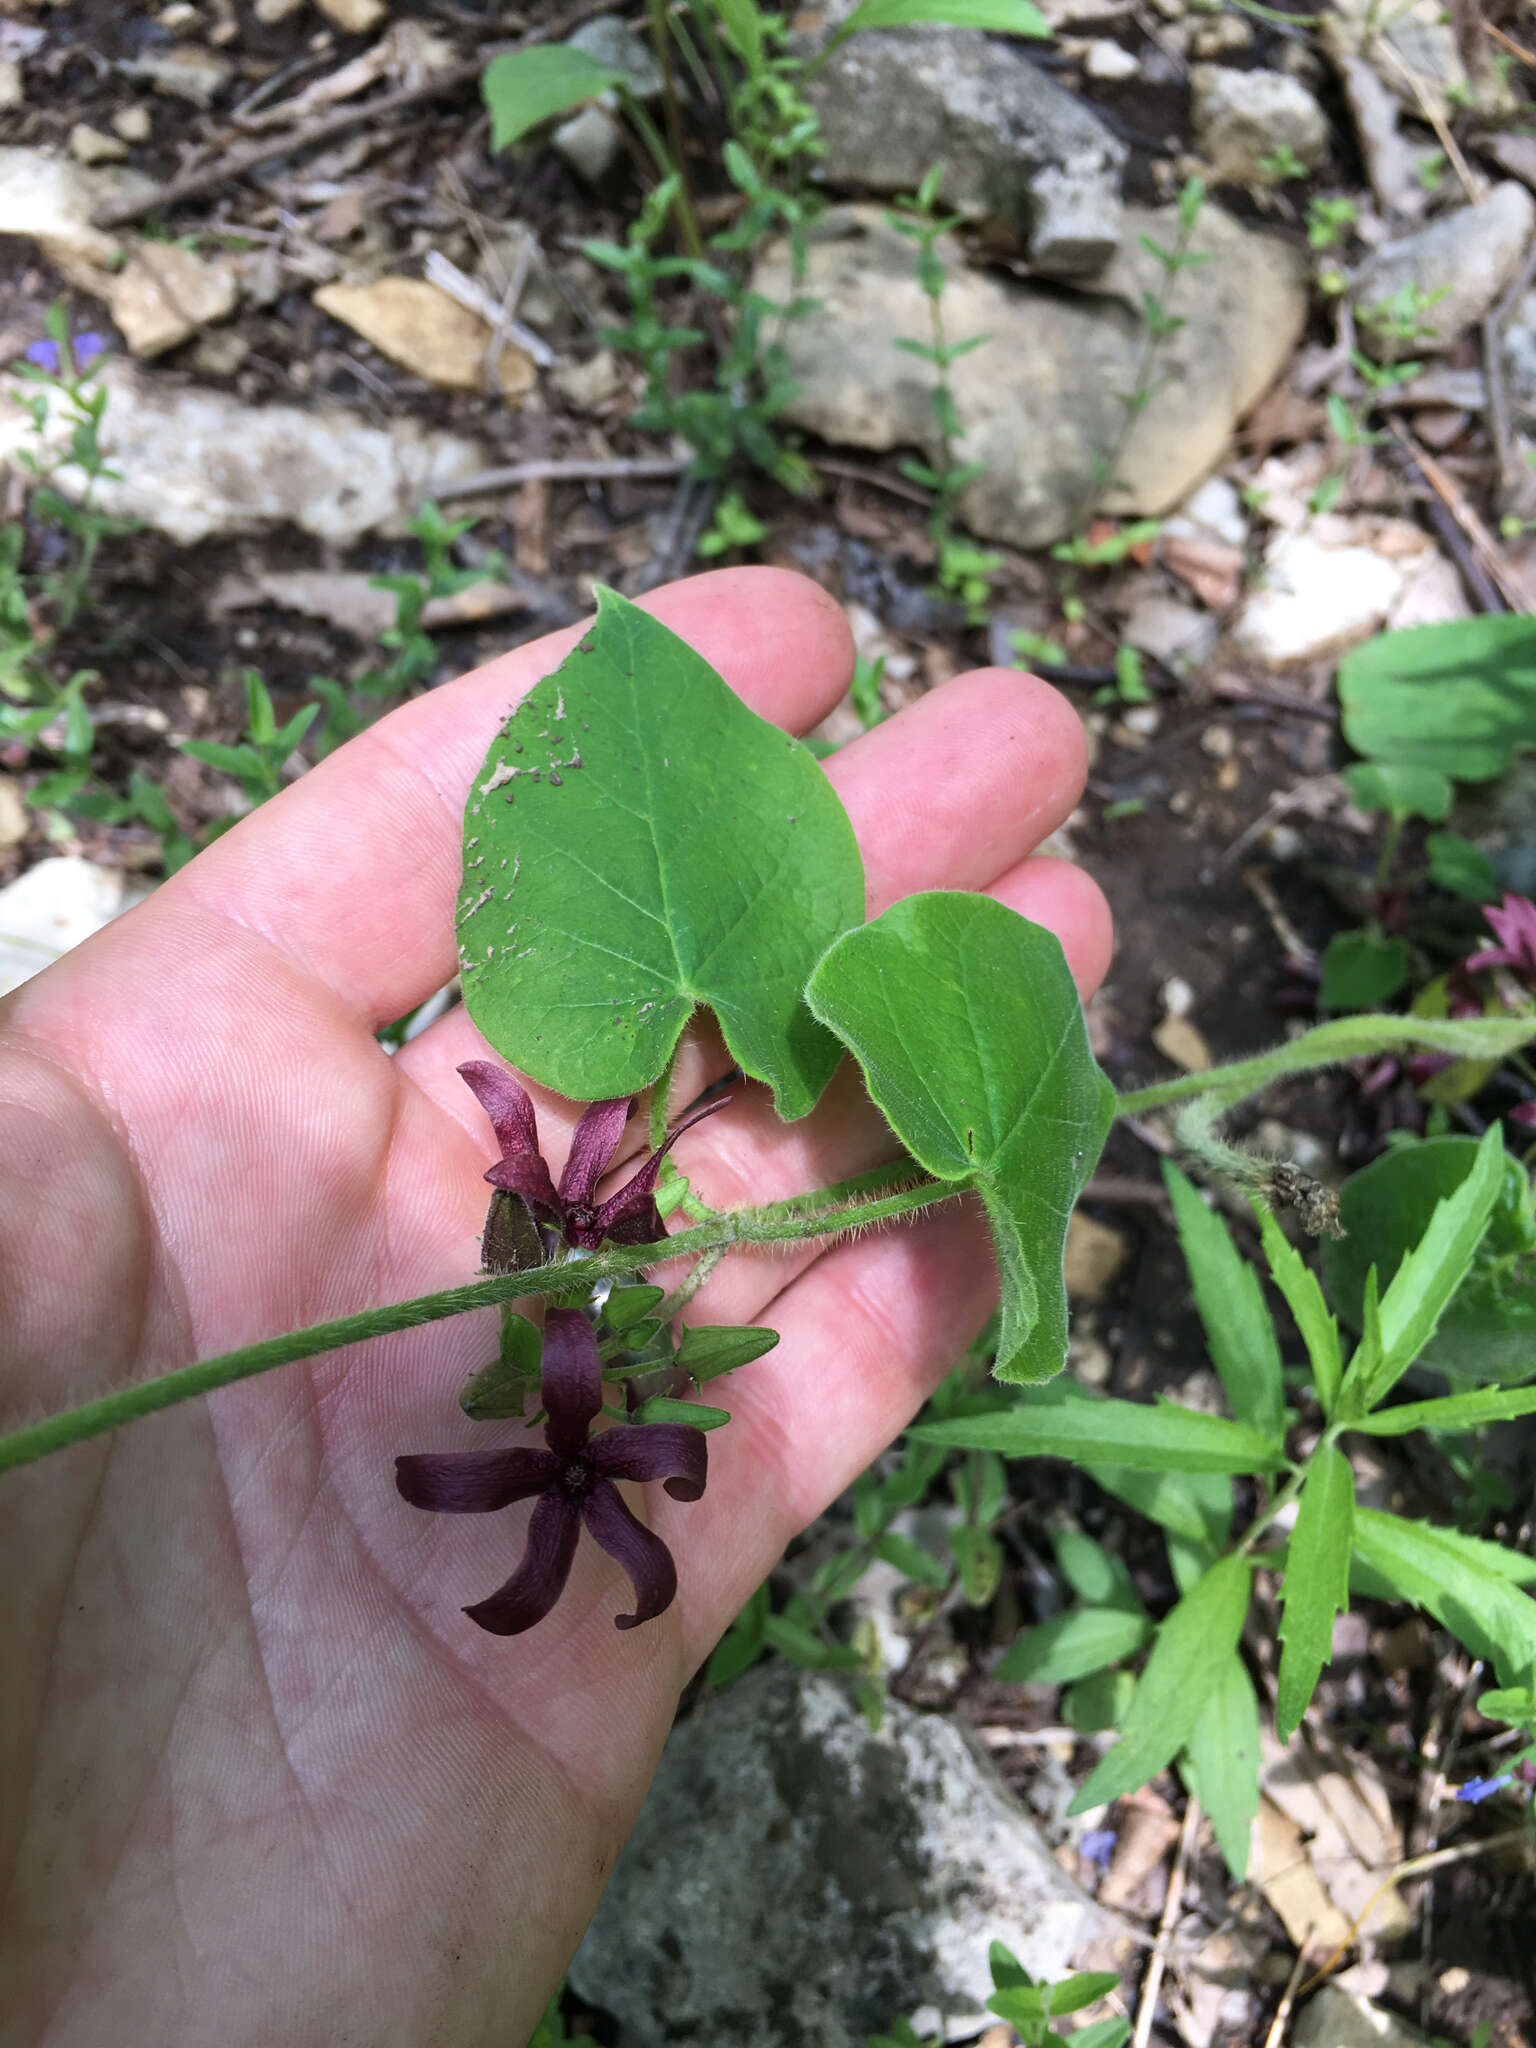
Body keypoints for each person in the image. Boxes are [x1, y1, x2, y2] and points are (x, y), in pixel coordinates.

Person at [0, 568, 1112, 2047]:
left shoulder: (581, 1363)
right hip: (570, 1300)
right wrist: (572, 1267)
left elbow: (569, 1388)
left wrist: (579, 1279)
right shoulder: (562, 1359)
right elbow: (530, 1298)